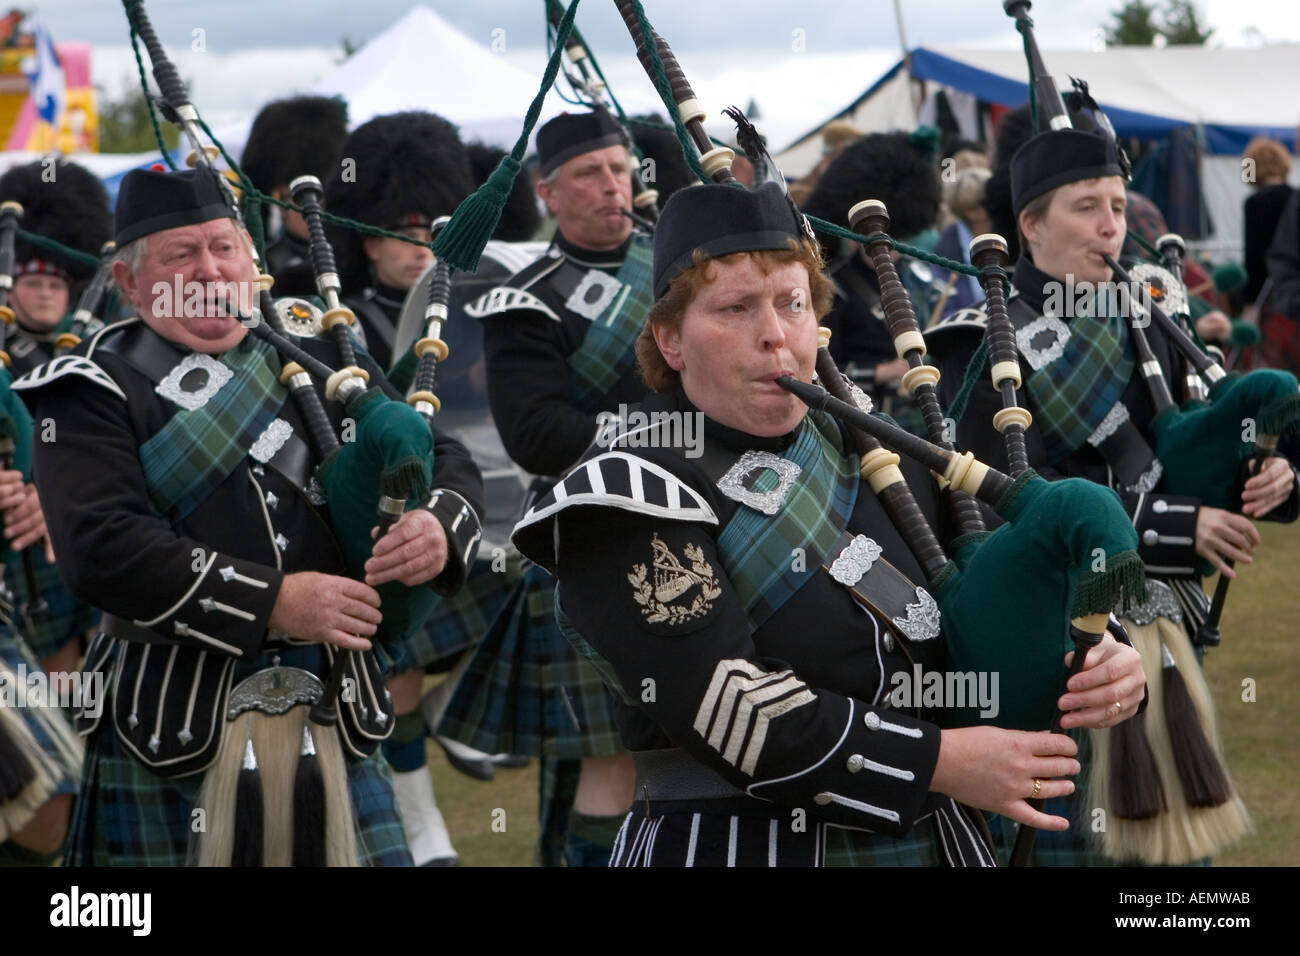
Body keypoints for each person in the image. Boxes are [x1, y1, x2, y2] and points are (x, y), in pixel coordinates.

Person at [509, 179, 1146, 867]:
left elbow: (1000, 586)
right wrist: (937, 761)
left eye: (792, 303)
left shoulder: (883, 455)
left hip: (938, 843)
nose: (774, 335)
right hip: (732, 846)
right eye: (735, 308)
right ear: (669, 341)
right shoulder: (628, 494)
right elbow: (728, 704)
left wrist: (1099, 652)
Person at [13, 166, 484, 866]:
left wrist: (438, 528)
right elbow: (99, 547)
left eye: (224, 248)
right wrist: (274, 602)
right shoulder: (91, 387)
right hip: (174, 721)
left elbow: (440, 453)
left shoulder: (322, 348)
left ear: (251, 260)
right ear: (129, 281)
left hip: (334, 707)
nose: (209, 270)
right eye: (180, 255)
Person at [928, 127, 1299, 865]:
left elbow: (1194, 450)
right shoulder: (975, 343)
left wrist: (1276, 474)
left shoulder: (1150, 319)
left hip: (1162, 634)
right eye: (1086, 207)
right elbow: (996, 498)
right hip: (1055, 644)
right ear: (1029, 224)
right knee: (1074, 841)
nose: (1111, 226)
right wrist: (1172, 524)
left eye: (1119, 207)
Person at [446, 110, 650, 865]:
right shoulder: (523, 296)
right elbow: (535, 435)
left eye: (620, 170)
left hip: (710, 522)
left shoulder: (683, 270)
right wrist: (670, 432)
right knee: (610, 755)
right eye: (590, 174)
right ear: (548, 193)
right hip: (586, 536)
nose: (612, 186)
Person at [801, 131, 943, 413]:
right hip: (868, 416)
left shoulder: (918, 276)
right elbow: (824, 372)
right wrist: (883, 371)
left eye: (896, 235)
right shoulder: (835, 286)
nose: (890, 247)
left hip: (925, 409)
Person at [323, 112, 476, 371]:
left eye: (433, 238)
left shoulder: (465, 316)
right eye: (407, 238)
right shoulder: (349, 323)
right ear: (372, 246)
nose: (423, 252)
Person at [239, 95, 349, 298]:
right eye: (302, 198)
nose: (316, 209)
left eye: (322, 197)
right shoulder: (262, 264)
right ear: (281, 201)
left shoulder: (353, 262)